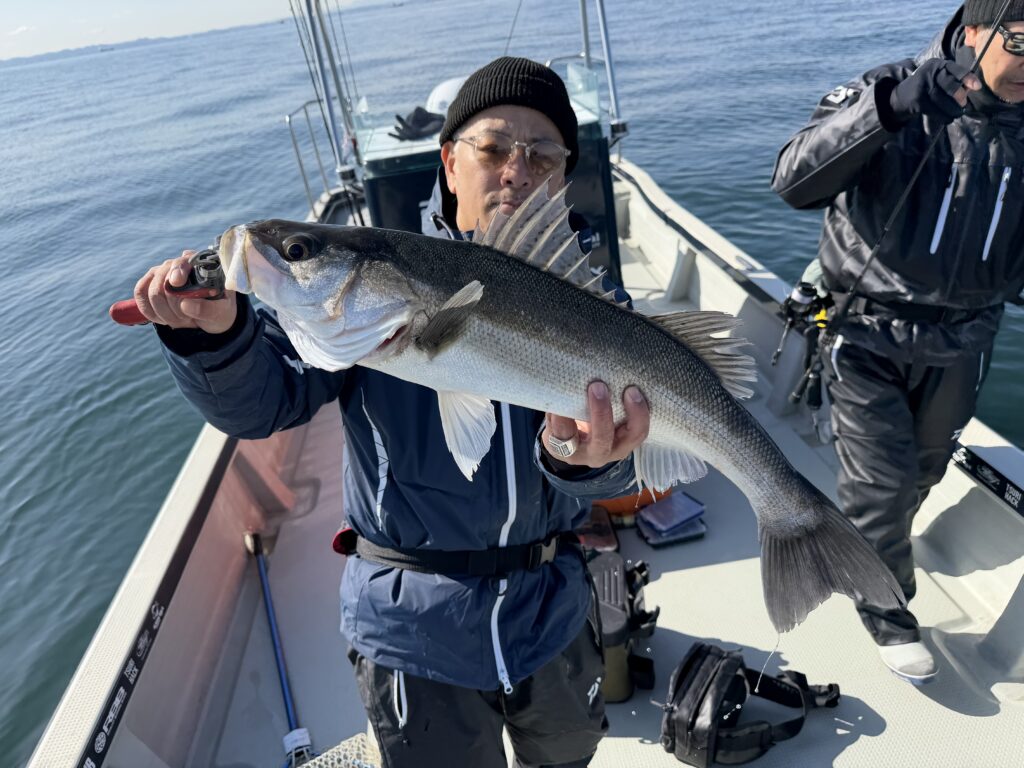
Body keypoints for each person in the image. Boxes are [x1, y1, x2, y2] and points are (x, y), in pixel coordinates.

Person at [134, 56, 648, 768]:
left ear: (563, 175)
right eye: (494, 147)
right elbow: (265, 402)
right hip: (411, 629)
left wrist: (586, 461)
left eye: (542, 155)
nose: (516, 171)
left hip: (550, 611)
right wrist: (214, 339)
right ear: (449, 162)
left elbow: (617, 471)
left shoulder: (602, 308)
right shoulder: (367, 296)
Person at [771, 0, 1024, 684]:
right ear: (975, 31)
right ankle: (886, 609)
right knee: (881, 484)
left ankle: (861, 545)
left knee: (922, 472)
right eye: (1022, 42)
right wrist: (888, 110)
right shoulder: (889, 86)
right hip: (865, 330)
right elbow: (793, 179)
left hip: (967, 338)